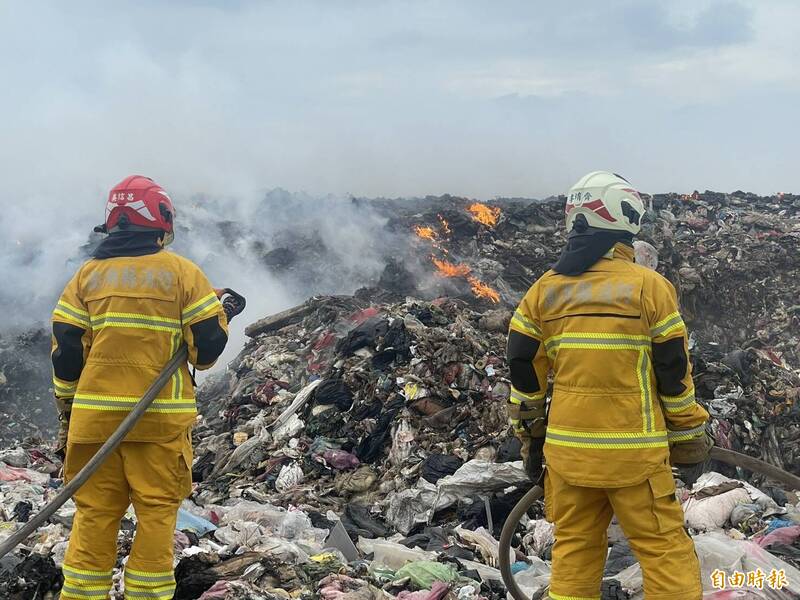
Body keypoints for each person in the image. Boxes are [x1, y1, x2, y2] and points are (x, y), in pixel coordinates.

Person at [506, 171, 712, 600]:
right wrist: (689, 436)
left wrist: (531, 440)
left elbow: (523, 372)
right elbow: (674, 374)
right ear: (624, 217)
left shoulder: (543, 291)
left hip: (568, 458)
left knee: (575, 552)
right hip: (634, 456)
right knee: (663, 552)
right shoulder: (649, 288)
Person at [51, 175, 230, 600]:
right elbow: (205, 351)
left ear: (113, 222)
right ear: (162, 221)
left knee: (94, 515)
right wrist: (218, 315)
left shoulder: (86, 277)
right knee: (155, 516)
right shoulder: (183, 275)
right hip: (158, 428)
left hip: (94, 427)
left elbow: (65, 353)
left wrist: (68, 404)